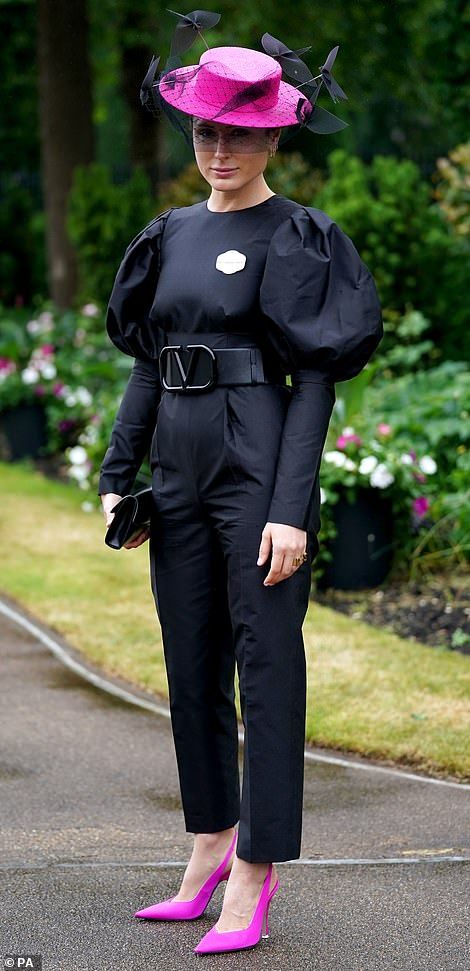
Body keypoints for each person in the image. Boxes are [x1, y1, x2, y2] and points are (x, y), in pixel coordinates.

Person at [97, 9, 384, 956]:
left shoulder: (298, 236)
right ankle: (208, 840)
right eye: (207, 130)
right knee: (190, 667)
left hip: (258, 463)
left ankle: (255, 872)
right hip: (176, 471)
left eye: (241, 132)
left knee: (265, 672)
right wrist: (117, 473)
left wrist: (290, 509)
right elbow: (149, 360)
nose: (221, 147)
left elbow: (316, 382)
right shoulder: (170, 234)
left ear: (273, 135)